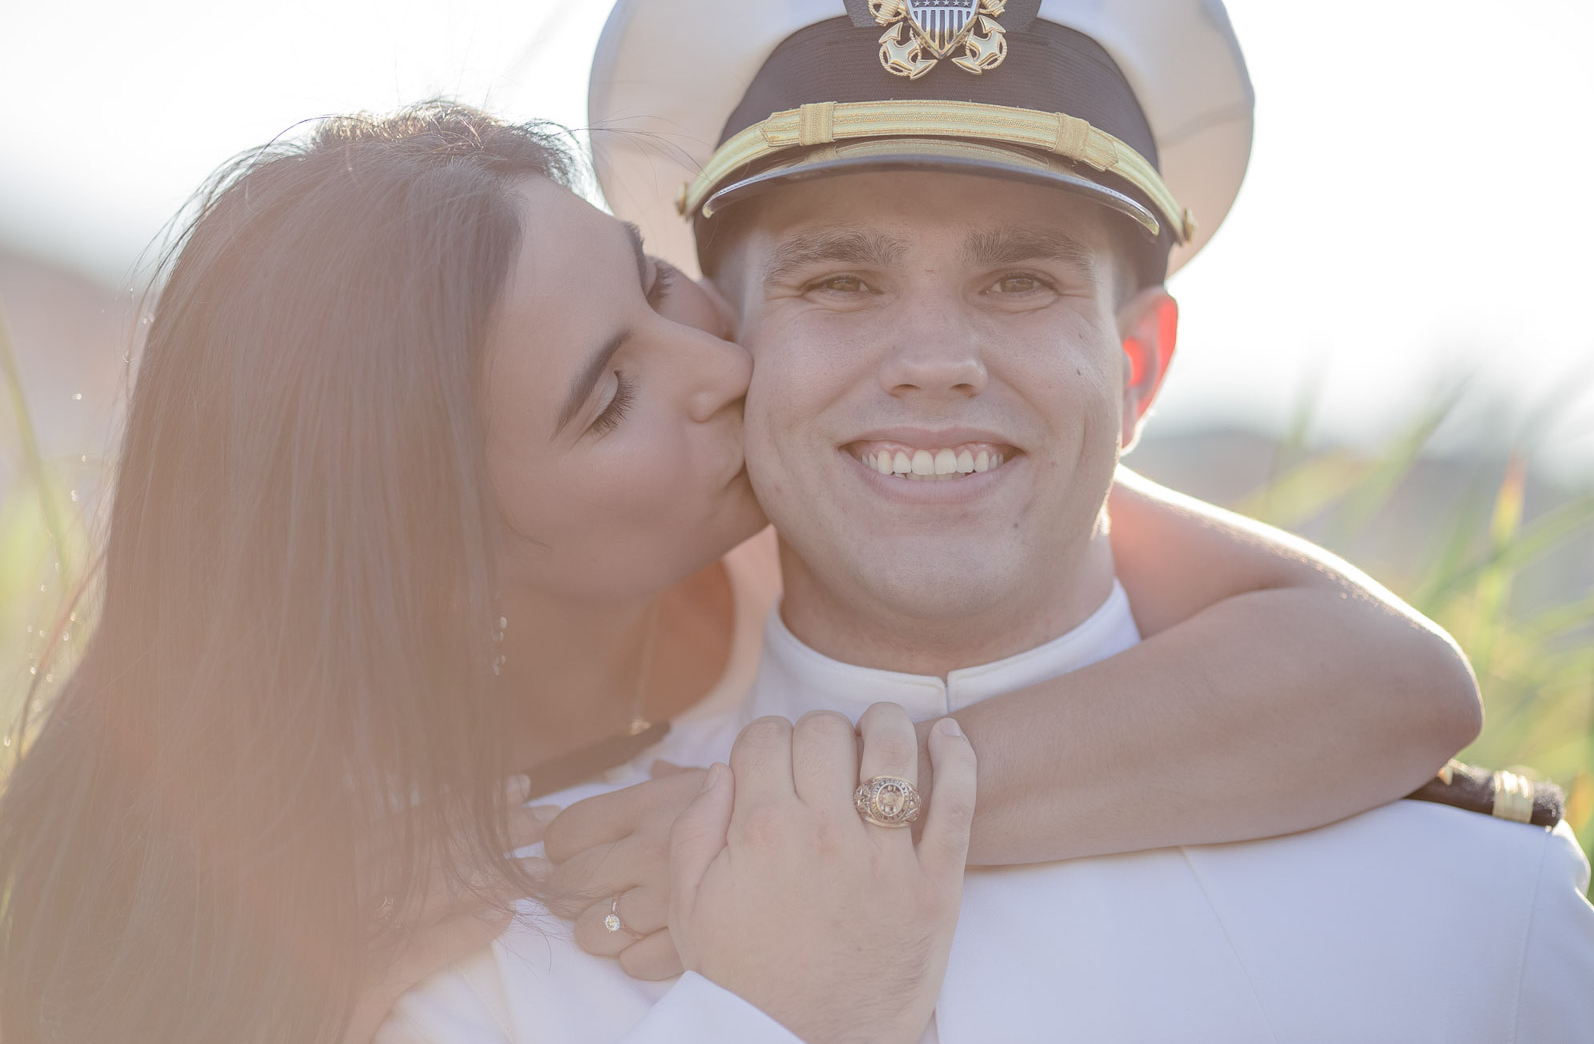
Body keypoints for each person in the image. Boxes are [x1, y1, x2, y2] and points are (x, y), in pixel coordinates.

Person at [0, 97, 1475, 1044]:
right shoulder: (353, 913)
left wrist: (811, 810)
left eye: (649, 282)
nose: (717, 363)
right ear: (452, 565)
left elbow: (1390, 682)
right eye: (607, 398)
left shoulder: (819, 494)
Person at [385, 0, 1594, 1040]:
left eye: (1019, 281)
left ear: (1136, 371)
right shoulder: (506, 938)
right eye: (843, 280)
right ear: (736, 347)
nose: (933, 358)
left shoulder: (1478, 913)